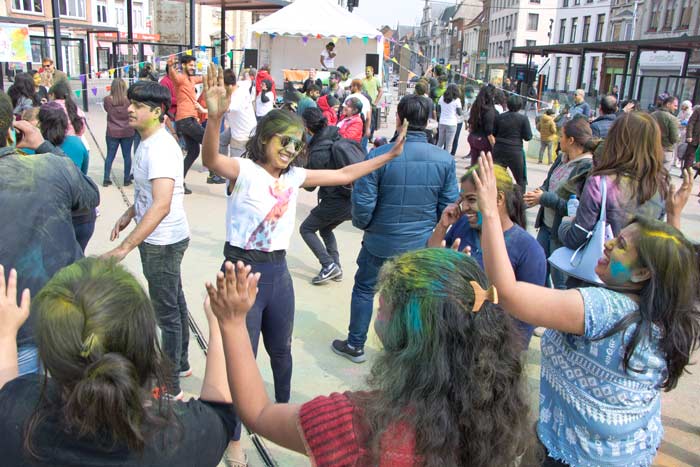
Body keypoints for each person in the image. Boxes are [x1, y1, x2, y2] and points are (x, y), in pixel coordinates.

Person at [199, 63, 410, 464]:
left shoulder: (295, 176)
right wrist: (214, 119)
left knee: (281, 352)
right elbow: (211, 158)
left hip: (277, 274)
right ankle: (234, 438)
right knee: (237, 358)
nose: (290, 149)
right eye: (283, 140)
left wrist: (388, 155)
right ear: (264, 138)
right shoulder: (242, 171)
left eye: (297, 144)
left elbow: (346, 172)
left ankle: (277, 414)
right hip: (240, 272)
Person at [473, 152, 700, 467]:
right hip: (631, 453)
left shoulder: (601, 310)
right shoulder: (670, 309)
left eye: (620, 245)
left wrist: (490, 213)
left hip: (579, 457)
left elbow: (509, 295)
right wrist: (674, 216)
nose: (606, 244)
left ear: (642, 274)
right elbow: (677, 268)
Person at [207, 250, 532, 467]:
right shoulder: (502, 414)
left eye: (385, 306)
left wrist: (233, 323)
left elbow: (259, 413)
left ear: (408, 335)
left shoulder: (355, 424)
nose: (379, 308)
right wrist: (443, 279)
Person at [0, 259, 242, 466]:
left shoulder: (17, 421)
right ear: (145, 345)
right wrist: (221, 327)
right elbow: (220, 413)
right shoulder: (179, 441)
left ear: (52, 356)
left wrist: (6, 335)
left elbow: (7, 393)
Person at [333, 93, 458, 363]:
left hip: (381, 241)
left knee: (365, 288)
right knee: (413, 297)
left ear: (399, 118)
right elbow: (448, 208)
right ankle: (407, 354)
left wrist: (365, 225)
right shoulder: (444, 160)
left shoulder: (379, 156)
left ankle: (356, 344)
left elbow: (363, 203)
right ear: (428, 121)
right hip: (421, 244)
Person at [0, 89, 99, 376]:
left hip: (28, 333)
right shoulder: (51, 167)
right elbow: (90, 195)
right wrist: (43, 145)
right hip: (57, 324)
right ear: (11, 129)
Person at [104, 81, 191, 400]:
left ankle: (170, 388)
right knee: (174, 302)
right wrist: (130, 212)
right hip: (158, 238)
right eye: (130, 103)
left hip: (162, 242)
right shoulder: (147, 140)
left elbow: (162, 203)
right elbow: (149, 194)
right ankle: (180, 363)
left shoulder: (161, 148)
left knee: (165, 313)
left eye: (137, 106)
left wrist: (124, 247)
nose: (129, 109)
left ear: (156, 112)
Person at [428, 164, 545, 350]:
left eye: (472, 200)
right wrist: (442, 226)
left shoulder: (529, 251)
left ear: (498, 199)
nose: (464, 208)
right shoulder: (462, 227)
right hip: (450, 339)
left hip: (490, 351)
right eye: (462, 200)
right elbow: (429, 258)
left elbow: (526, 321)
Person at [559, 112, 667, 254]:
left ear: (616, 139)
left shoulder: (601, 182)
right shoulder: (660, 186)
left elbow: (576, 237)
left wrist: (565, 224)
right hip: (635, 269)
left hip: (601, 266)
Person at [525, 118, 596, 289]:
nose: (558, 138)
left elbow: (575, 207)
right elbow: (548, 183)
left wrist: (544, 198)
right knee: (538, 270)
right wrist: (537, 194)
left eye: (562, 135)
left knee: (561, 281)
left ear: (571, 140)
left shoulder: (587, 167)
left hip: (562, 233)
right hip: (546, 226)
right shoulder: (561, 159)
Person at [300, 107, 361, 284]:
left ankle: (328, 265)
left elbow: (309, 187)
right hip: (352, 198)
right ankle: (336, 266)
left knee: (306, 229)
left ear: (306, 127)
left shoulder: (318, 151)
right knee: (325, 228)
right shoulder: (337, 135)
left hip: (336, 201)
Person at [37, 102, 95, 253]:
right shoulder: (77, 143)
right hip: (82, 215)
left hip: (53, 217)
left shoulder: (29, 149)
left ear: (40, 124)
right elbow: (83, 172)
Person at [168, 55, 223, 190]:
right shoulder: (180, 78)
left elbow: (204, 78)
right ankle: (213, 174)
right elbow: (173, 76)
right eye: (191, 65)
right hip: (186, 119)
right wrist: (170, 65)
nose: (193, 67)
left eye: (194, 65)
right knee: (209, 141)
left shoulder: (191, 79)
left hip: (187, 120)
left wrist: (214, 74)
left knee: (193, 152)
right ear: (184, 65)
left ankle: (178, 182)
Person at [492, 94, 532, 191]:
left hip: (499, 149)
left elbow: (493, 133)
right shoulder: (523, 119)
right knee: (520, 179)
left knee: (497, 177)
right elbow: (528, 137)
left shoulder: (499, 117)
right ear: (520, 106)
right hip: (515, 150)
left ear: (507, 104)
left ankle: (496, 197)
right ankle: (520, 201)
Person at [103, 78, 135, 187]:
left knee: (110, 156)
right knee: (127, 156)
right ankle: (126, 178)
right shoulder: (129, 101)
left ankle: (106, 178)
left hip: (112, 131)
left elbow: (107, 110)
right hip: (127, 130)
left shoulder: (107, 100)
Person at [220, 69, 257, 158]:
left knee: (236, 162)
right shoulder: (241, 85)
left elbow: (222, 109)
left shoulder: (236, 99)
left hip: (242, 134)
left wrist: (203, 109)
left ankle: (228, 167)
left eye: (221, 86)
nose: (220, 88)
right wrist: (247, 74)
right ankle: (223, 162)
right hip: (242, 127)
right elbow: (248, 81)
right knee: (221, 140)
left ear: (228, 86)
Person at [467, 85, 496, 164]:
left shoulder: (476, 106)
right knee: (484, 165)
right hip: (483, 140)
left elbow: (470, 123)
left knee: (474, 163)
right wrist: (494, 146)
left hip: (473, 137)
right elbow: (489, 131)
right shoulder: (489, 111)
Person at [651, 95, 680, 173]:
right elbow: (674, 138)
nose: (676, 108)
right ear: (668, 104)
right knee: (663, 178)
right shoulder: (672, 119)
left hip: (652, 149)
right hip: (666, 151)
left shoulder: (652, 115)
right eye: (675, 105)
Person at [344, 79, 372, 149]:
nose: (350, 88)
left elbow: (344, 113)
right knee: (362, 149)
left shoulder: (349, 97)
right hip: (363, 126)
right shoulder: (366, 99)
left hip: (351, 125)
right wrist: (367, 129)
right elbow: (368, 117)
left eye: (351, 86)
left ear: (355, 87)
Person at [436, 83, 462, 152]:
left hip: (442, 122)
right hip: (452, 123)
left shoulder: (442, 98)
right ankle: (447, 160)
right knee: (449, 144)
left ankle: (436, 156)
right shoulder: (457, 100)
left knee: (440, 142)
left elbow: (438, 110)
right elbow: (459, 113)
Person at [362, 66, 383, 140]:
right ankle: (364, 136)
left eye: (368, 71)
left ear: (372, 72)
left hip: (372, 104)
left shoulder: (376, 80)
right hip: (364, 104)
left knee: (372, 121)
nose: (367, 72)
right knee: (365, 120)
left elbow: (381, 91)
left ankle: (370, 137)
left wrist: (376, 102)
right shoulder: (362, 81)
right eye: (366, 71)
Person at [675, 100, 693, 168]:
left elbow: (686, 122)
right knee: (676, 146)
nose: (682, 107)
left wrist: (680, 123)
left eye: (684, 106)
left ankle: (679, 160)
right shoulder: (681, 112)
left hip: (684, 132)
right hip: (679, 130)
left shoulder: (690, 113)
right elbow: (677, 119)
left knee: (681, 147)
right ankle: (675, 160)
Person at [683, 104, 700, 172]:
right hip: (695, 138)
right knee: (690, 156)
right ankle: (686, 172)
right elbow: (691, 123)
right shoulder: (698, 110)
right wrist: (689, 136)